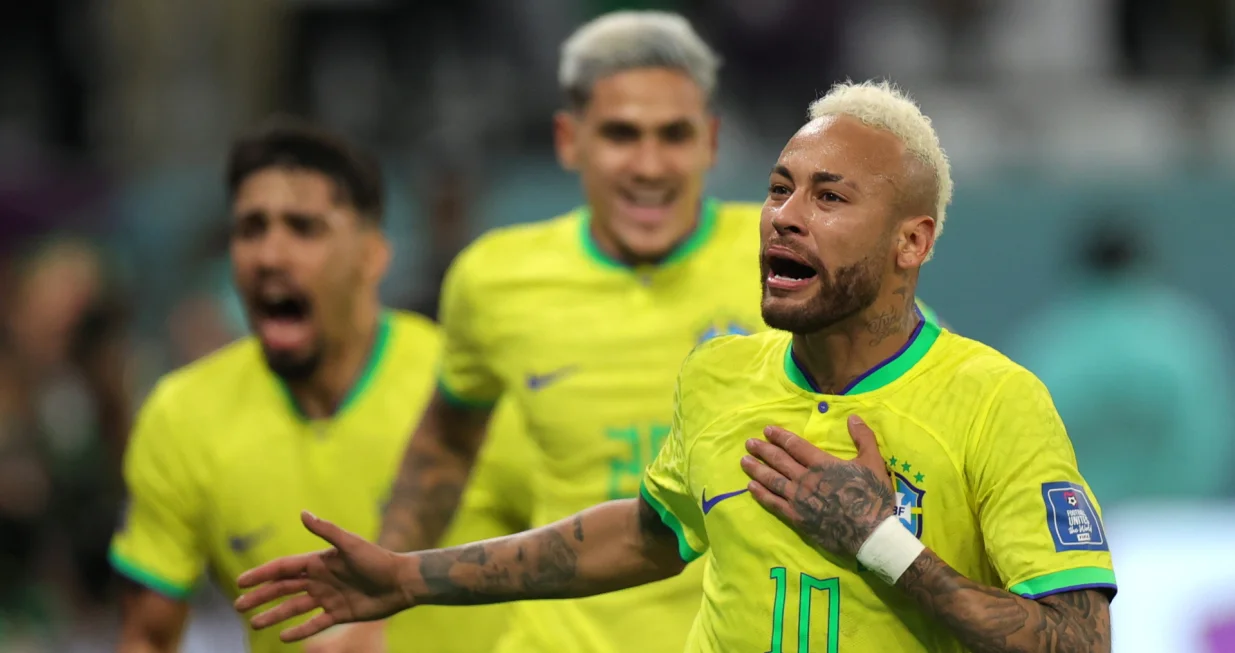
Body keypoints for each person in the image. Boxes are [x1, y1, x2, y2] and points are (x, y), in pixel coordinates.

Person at [234, 80, 1117, 653]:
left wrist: (881, 543)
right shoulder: (720, 377)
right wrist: (405, 577)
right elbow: (645, 535)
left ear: (910, 242)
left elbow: (1078, 639)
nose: (784, 215)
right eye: (778, 187)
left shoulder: (993, 401)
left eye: (828, 195)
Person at [109, 119, 532, 653]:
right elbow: (147, 637)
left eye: (304, 228)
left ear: (372, 254)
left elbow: (592, 569)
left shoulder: (469, 392)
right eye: (251, 228)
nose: (270, 256)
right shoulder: (184, 416)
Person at [1007, 217, 1235, 504]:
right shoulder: (1185, 337)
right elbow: (1210, 436)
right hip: (1171, 516)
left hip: (1072, 515)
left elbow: (1018, 439)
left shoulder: (1049, 342)